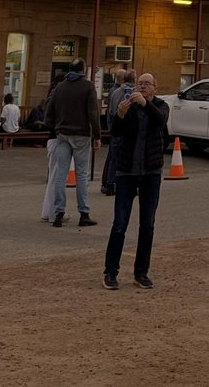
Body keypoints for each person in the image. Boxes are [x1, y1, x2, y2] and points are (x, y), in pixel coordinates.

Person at [103, 72, 169, 289]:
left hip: (150, 172)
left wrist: (145, 105)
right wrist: (120, 115)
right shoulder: (128, 106)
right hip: (126, 171)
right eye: (139, 84)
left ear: (155, 88)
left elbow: (160, 122)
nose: (142, 87)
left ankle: (141, 272)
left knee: (147, 225)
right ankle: (111, 272)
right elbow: (116, 134)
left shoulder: (160, 106)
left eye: (146, 84)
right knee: (119, 224)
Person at [40, 59, 100, 228]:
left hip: (63, 134)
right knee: (81, 174)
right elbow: (93, 113)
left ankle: (58, 212)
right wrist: (97, 135)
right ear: (83, 70)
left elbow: (48, 111)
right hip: (81, 134)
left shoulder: (60, 87)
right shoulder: (88, 87)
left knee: (60, 172)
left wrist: (56, 126)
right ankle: (84, 213)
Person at [101, 67, 139, 196]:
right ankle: (129, 185)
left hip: (115, 130)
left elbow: (110, 111)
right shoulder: (135, 93)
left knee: (114, 158)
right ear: (134, 79)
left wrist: (111, 127)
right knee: (130, 159)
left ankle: (110, 184)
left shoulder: (115, 92)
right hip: (129, 132)